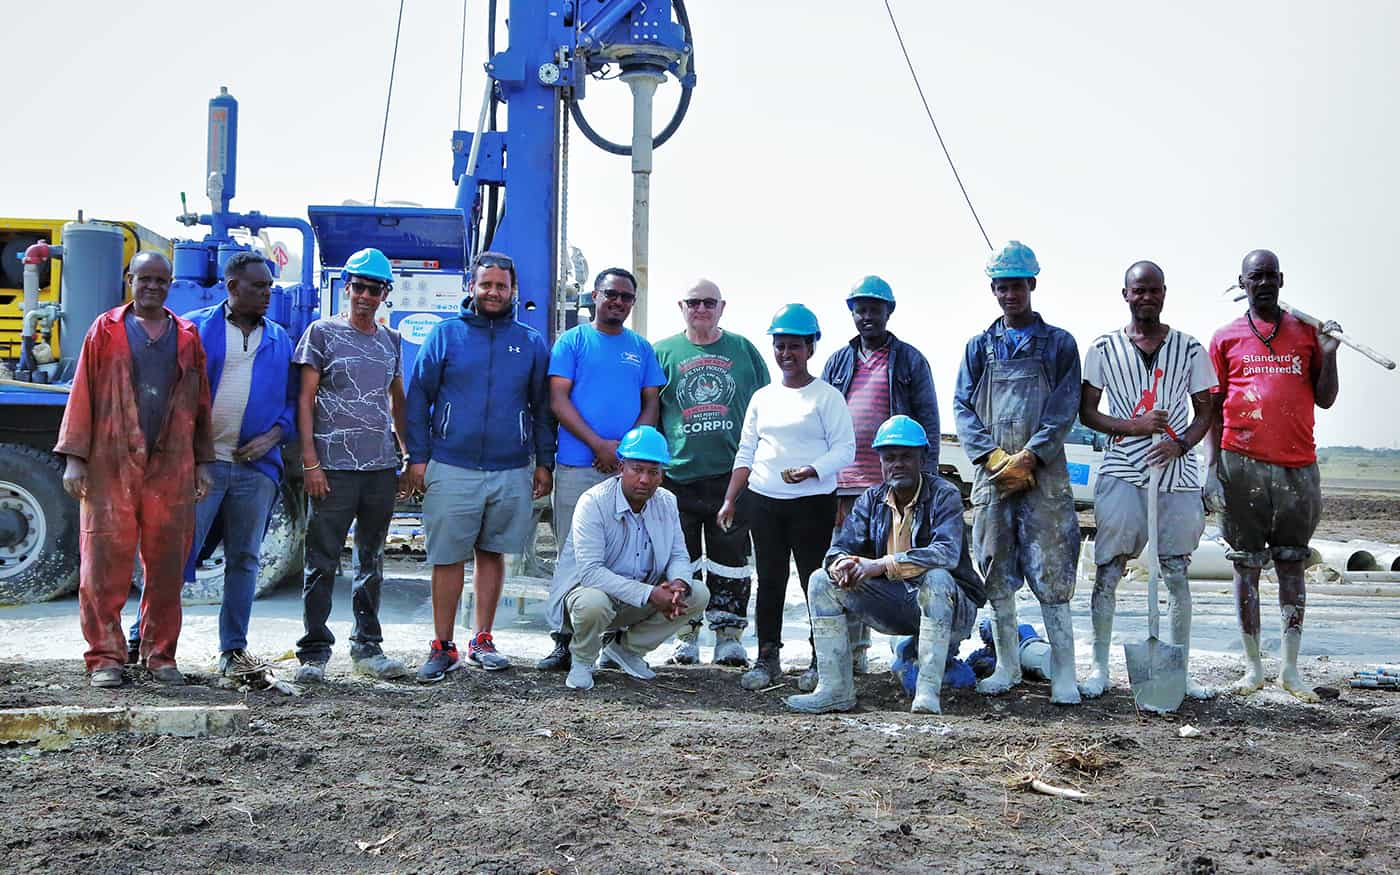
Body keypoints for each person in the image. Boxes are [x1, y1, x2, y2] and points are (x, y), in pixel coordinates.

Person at [55, 251, 214, 688]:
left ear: (171, 284)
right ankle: (105, 657)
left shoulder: (187, 336)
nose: (152, 287)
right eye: (144, 278)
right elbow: (82, 392)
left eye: (161, 280)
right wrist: (74, 458)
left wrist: (202, 462)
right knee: (104, 562)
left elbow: (200, 404)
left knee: (166, 565)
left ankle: (160, 656)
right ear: (129, 279)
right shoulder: (104, 330)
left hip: (172, 464)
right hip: (110, 462)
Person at [403, 251, 555, 681]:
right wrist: (418, 457)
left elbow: (542, 408)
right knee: (448, 556)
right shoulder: (446, 336)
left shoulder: (529, 342)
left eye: (501, 286)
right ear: (471, 287)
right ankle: (442, 645)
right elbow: (418, 398)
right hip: (452, 464)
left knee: (492, 554)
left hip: (510, 467)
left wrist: (544, 463)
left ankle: (482, 639)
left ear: (513, 291)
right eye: (485, 284)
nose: (493, 292)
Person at [1203, 249, 1340, 702]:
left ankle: (1290, 668)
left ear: (1281, 279)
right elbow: (1212, 408)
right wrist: (1211, 469)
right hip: (1239, 464)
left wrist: (1329, 353)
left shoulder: (1305, 333)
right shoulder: (1225, 338)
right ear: (1241, 283)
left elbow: (1325, 399)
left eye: (1269, 276)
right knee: (1245, 565)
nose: (1263, 283)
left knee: (1291, 564)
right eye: (1253, 277)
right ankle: (1252, 667)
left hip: (1298, 467)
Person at [1078, 261, 1217, 700]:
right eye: (1138, 291)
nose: (1146, 297)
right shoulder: (1103, 348)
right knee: (1109, 567)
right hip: (1123, 469)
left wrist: (1181, 444)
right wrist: (1134, 425)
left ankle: (1180, 669)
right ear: (1125, 294)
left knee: (1176, 570)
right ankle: (1099, 667)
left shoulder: (1190, 349)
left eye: (1154, 290)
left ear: (1164, 294)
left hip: (1175, 472)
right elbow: (1087, 411)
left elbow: (1206, 410)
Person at [952, 240, 1083, 705]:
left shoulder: (1060, 344)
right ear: (993, 289)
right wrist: (991, 460)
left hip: (1044, 479)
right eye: (1002, 287)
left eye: (1017, 286)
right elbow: (963, 408)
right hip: (993, 479)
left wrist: (1031, 456)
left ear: (1033, 284)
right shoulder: (978, 347)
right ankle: (1007, 665)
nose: (1011, 295)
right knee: (996, 572)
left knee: (1052, 572)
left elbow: (1065, 405)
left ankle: (1064, 674)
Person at [785, 416, 985, 715]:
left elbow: (946, 553)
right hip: (898, 602)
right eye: (890, 458)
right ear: (880, 461)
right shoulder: (871, 499)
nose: (897, 464)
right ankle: (835, 689)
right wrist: (842, 564)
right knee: (820, 580)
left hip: (952, 608)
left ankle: (927, 693)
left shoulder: (945, 494)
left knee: (939, 578)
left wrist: (879, 565)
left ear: (923, 458)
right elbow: (839, 547)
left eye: (906, 456)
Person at [717, 303, 855, 691]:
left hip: (813, 504)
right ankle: (767, 658)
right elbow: (746, 451)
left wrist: (812, 470)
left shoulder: (826, 397)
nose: (786, 354)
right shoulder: (763, 397)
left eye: (795, 346)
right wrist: (731, 498)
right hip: (764, 501)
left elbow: (845, 449)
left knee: (815, 580)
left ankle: (819, 660)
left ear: (811, 348)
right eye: (780, 346)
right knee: (771, 579)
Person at [538, 267, 666, 671]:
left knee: (623, 555)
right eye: (611, 294)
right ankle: (563, 640)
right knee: (574, 555)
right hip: (579, 464)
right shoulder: (572, 342)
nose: (619, 302)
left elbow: (651, 404)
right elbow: (558, 400)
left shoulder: (641, 349)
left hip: (626, 472)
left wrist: (630, 455)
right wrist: (598, 445)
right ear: (595, 295)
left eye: (627, 297)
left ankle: (609, 640)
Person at [292, 247, 410, 683]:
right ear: (347, 288)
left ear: (384, 293)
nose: (364, 295)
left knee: (372, 560)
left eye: (373, 288)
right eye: (358, 286)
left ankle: (367, 648)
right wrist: (310, 462)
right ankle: (315, 652)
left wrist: (405, 455)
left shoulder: (391, 342)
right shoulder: (321, 334)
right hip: (333, 469)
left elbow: (397, 402)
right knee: (321, 560)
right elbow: (304, 399)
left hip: (379, 469)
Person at [821, 274, 941, 671]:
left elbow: (928, 420)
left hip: (894, 485)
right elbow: (824, 418)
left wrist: (928, 479)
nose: (867, 316)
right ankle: (851, 656)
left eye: (875, 308)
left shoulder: (908, 360)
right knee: (848, 565)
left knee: (895, 563)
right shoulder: (838, 361)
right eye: (861, 309)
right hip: (845, 485)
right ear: (852, 313)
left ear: (888, 312)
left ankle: (915, 645)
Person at [653, 279, 768, 667]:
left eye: (709, 302)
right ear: (680, 307)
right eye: (693, 302)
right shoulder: (663, 353)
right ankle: (684, 633)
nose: (701, 308)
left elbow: (765, 408)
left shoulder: (744, 351)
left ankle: (729, 634)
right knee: (680, 560)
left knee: (731, 558)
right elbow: (652, 414)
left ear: (722, 307)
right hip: (677, 477)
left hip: (729, 478)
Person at [548, 426, 709, 691]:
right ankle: (583, 660)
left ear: (662, 474)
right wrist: (650, 594)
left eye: (653, 472)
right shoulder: (593, 502)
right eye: (637, 469)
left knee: (697, 593)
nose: (645, 479)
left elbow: (679, 554)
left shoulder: (667, 501)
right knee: (592, 601)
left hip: (634, 600)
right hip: (590, 602)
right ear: (621, 468)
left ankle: (626, 650)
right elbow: (590, 573)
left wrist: (678, 583)